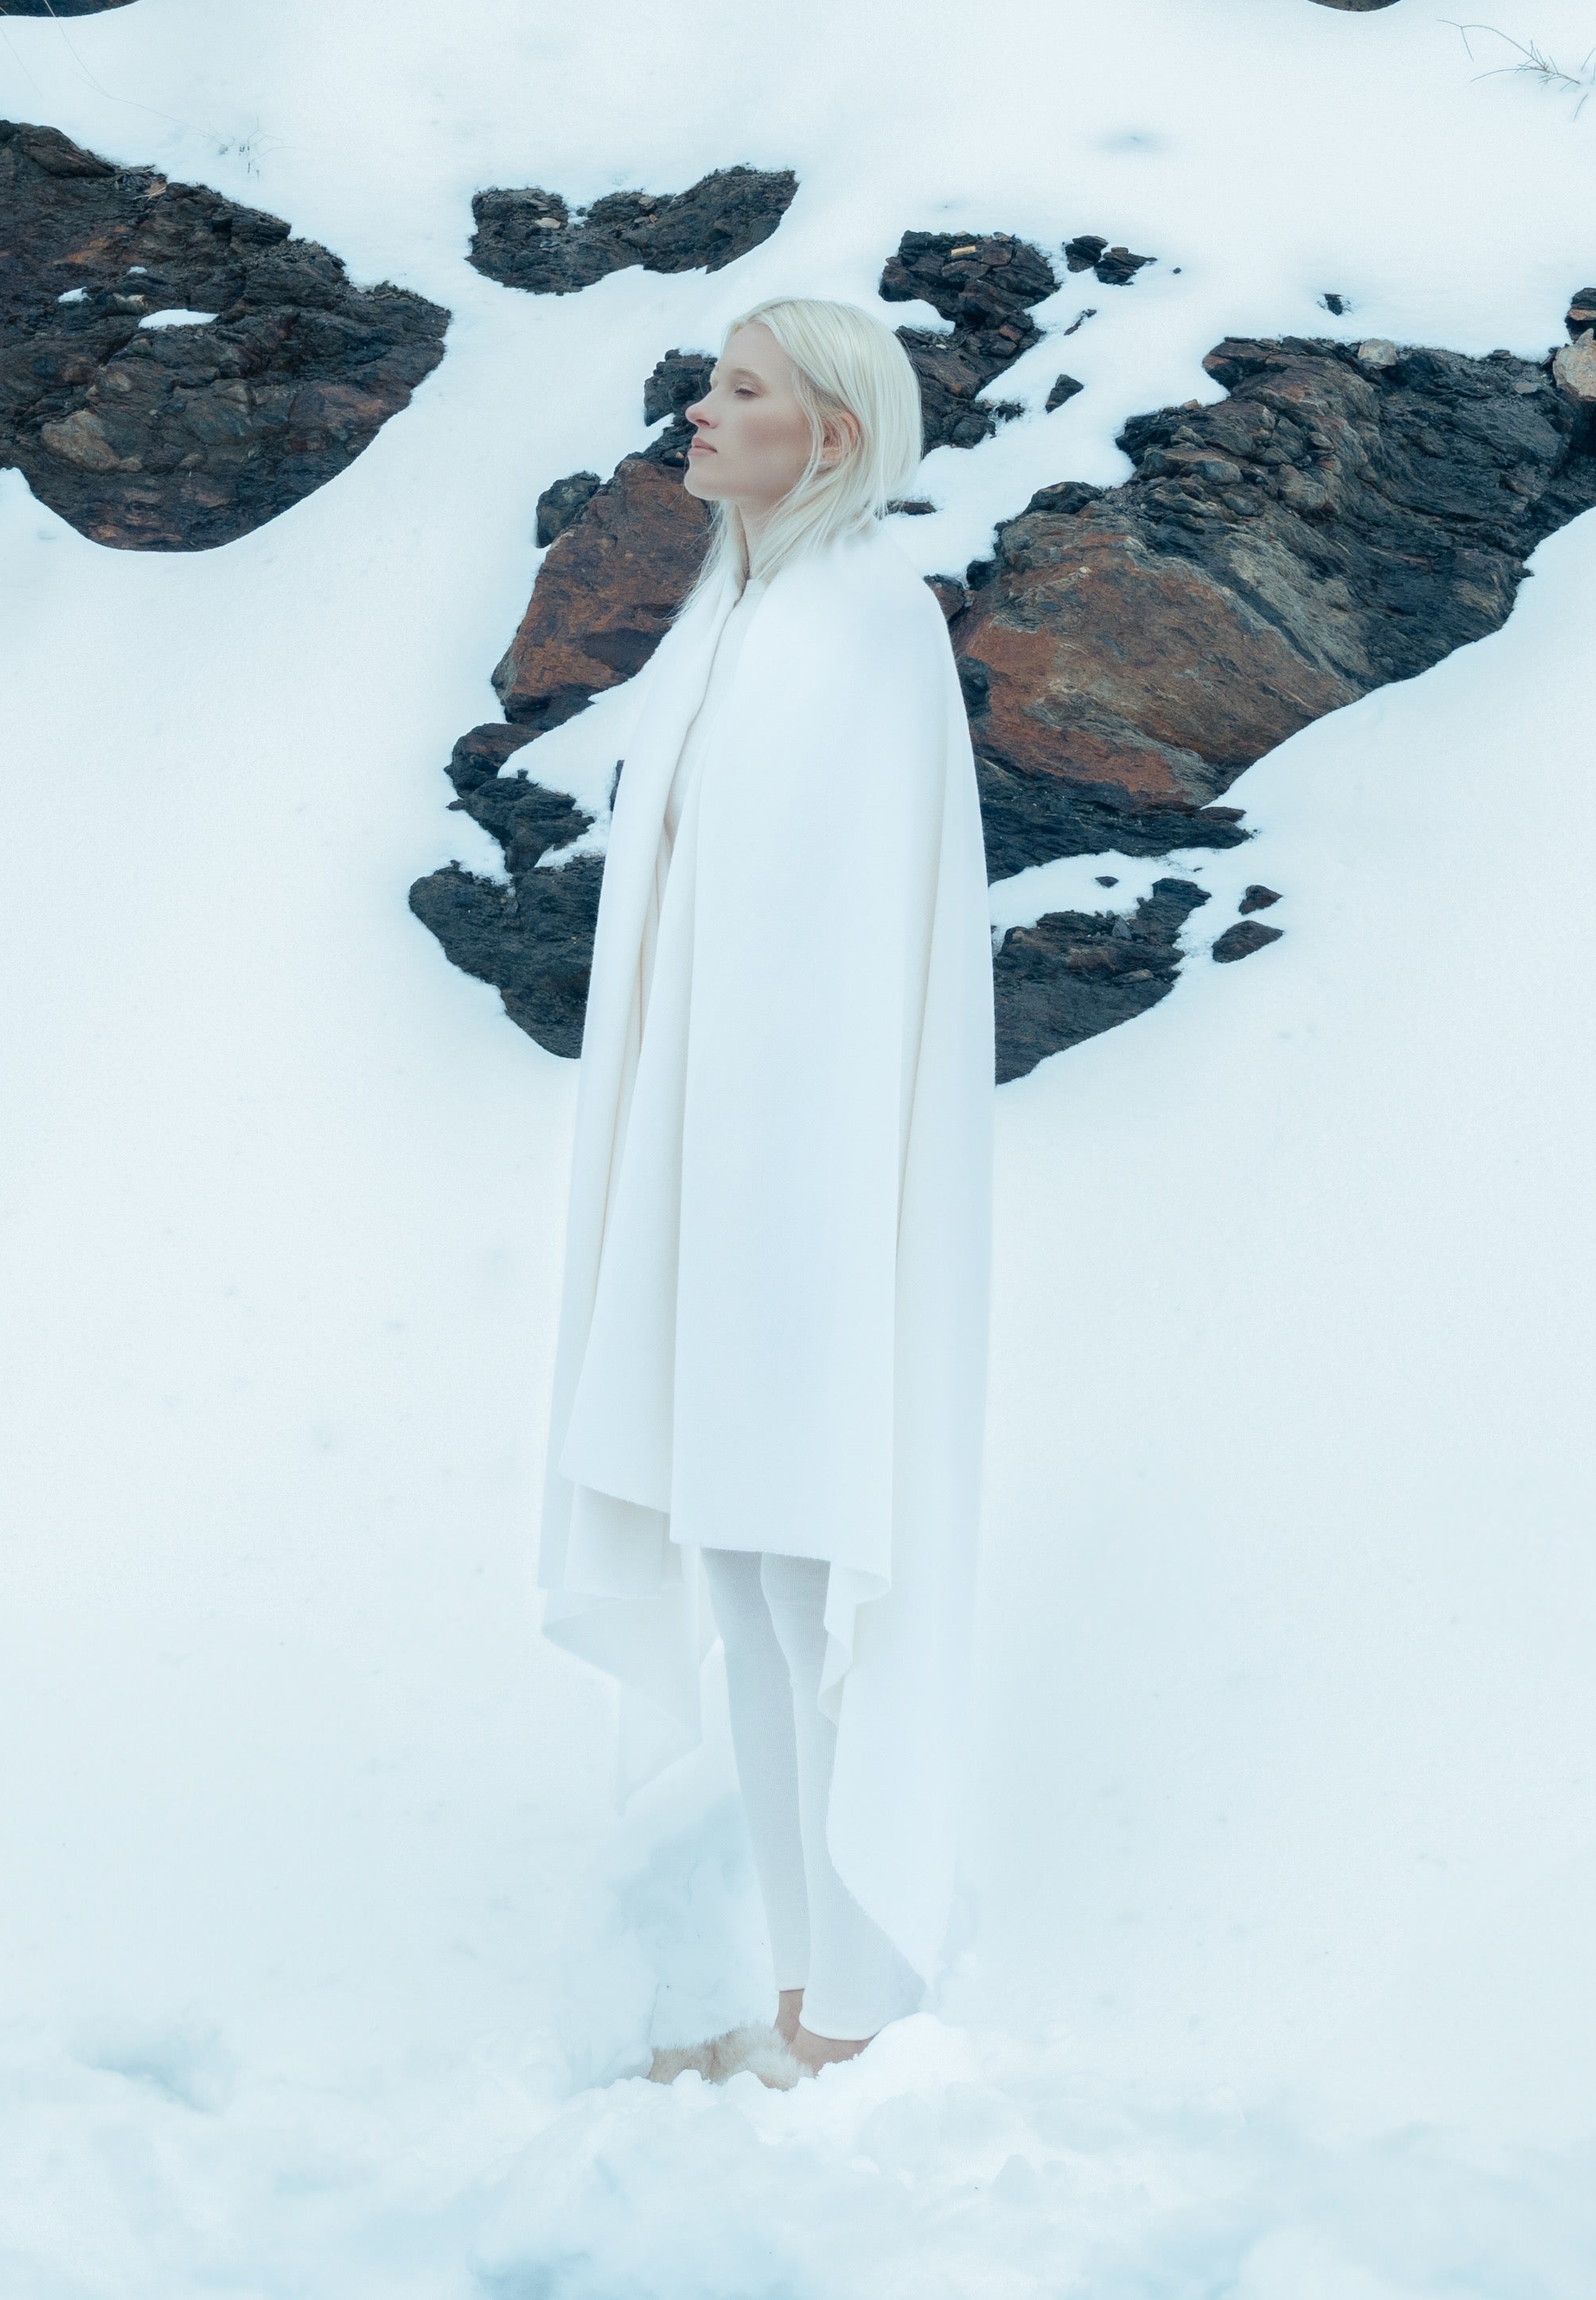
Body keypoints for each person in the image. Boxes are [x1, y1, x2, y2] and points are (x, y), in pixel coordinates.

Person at [533, 298, 996, 2076]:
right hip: (714, 1168)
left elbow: (837, 944)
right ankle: (815, 1999)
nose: (699, 411)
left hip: (801, 1187)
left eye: (742, 391)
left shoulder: (861, 621)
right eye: (707, 382)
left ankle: (855, 2005)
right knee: (744, 1572)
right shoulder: (735, 615)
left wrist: (779, 1196)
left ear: (834, 439)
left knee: (809, 1582)